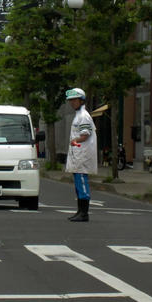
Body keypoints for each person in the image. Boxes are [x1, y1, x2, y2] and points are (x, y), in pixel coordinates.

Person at [65, 87, 97, 222]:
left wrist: (74, 141)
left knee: (82, 183)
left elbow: (85, 134)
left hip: (82, 155)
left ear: (81, 100)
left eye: (74, 100)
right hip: (78, 154)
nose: (72, 102)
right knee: (78, 183)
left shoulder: (84, 116)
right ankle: (80, 211)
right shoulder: (79, 115)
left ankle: (84, 213)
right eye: (70, 100)